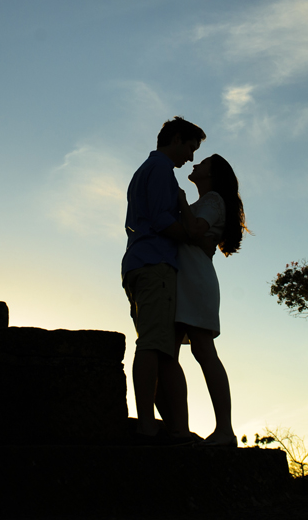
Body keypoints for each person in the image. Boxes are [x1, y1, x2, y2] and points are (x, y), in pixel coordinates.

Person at [121, 116, 206, 444]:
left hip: (142, 263)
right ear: (175, 138)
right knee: (154, 344)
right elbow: (159, 220)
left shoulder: (148, 170)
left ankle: (168, 426)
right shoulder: (159, 172)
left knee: (160, 345)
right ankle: (146, 425)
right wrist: (190, 235)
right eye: (190, 147)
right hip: (153, 263)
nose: (191, 157)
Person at [173, 153, 248, 447]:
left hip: (196, 281)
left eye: (202, 164)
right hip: (188, 280)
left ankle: (224, 430)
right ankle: (179, 427)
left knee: (204, 352)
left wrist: (178, 199)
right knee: (178, 353)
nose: (195, 165)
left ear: (212, 175)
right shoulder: (208, 202)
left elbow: (195, 230)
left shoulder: (213, 200)